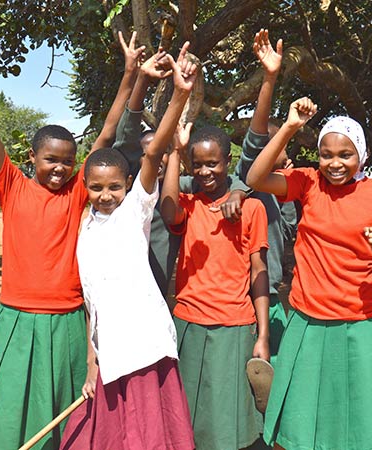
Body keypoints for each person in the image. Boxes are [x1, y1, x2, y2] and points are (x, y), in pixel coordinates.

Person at [0, 7, 144, 449]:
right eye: (50, 159)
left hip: (68, 323)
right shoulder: (12, 185)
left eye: (67, 161)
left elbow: (108, 133)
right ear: (32, 158)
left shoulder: (78, 191)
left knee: (64, 421)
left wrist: (129, 73)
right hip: (18, 319)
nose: (59, 168)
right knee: (9, 418)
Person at [246, 99, 372, 450]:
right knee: (301, 419)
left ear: (362, 156)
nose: (335, 163)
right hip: (309, 321)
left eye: (345, 155)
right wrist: (290, 128)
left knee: (364, 417)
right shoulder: (307, 184)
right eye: (326, 154)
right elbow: (255, 177)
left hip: (362, 323)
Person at [59, 44, 197, 450]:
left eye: (115, 187)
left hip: (144, 346)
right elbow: (93, 307)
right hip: (110, 354)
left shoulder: (134, 211)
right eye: (97, 188)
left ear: (128, 185)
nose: (106, 195)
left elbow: (153, 151)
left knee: (153, 435)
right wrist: (91, 364)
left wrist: (180, 95)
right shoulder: (85, 227)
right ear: (84, 188)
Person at [160, 125, 270, 449]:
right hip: (188, 325)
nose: (206, 171)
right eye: (198, 165)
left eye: (213, 163)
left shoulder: (252, 209)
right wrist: (177, 152)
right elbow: (168, 211)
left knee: (227, 424)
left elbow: (259, 271)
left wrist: (262, 335)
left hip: (234, 327)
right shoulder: (188, 204)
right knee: (184, 420)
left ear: (228, 161)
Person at [112, 61, 248, 299]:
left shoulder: (180, 191)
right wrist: (142, 79)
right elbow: (125, 135)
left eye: (162, 152)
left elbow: (222, 182)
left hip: (159, 303)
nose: (156, 160)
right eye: (147, 155)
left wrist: (237, 191)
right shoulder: (126, 194)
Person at [235, 29, 297, 365]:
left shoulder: (287, 193)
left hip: (274, 297)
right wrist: (269, 79)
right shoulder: (249, 182)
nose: (287, 160)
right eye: (280, 153)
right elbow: (255, 142)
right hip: (244, 297)